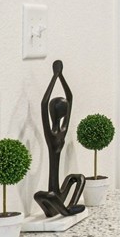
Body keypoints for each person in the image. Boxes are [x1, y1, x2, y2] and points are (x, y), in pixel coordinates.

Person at [34, 60, 86, 217]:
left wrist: (59, 76)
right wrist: (54, 77)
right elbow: (44, 103)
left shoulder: (63, 128)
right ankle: (66, 211)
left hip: (57, 193)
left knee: (78, 178)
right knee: (43, 195)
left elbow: (69, 97)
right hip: (51, 197)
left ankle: (69, 205)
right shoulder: (50, 132)